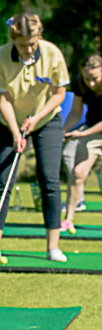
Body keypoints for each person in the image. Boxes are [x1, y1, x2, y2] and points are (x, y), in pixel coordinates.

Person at [0, 13, 69, 262]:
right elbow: (3, 98)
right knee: (2, 181)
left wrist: (36, 119)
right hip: (10, 123)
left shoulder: (52, 54)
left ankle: (53, 247)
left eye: (33, 43)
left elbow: (59, 94)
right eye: (23, 44)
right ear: (13, 39)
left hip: (47, 121)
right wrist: (16, 131)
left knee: (49, 181)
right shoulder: (0, 58)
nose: (28, 49)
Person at [62, 54, 102, 230]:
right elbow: (75, 113)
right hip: (93, 131)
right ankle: (68, 219)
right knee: (78, 173)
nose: (91, 84)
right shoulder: (80, 83)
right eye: (87, 79)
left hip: (94, 130)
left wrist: (81, 134)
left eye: (95, 79)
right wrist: (62, 131)